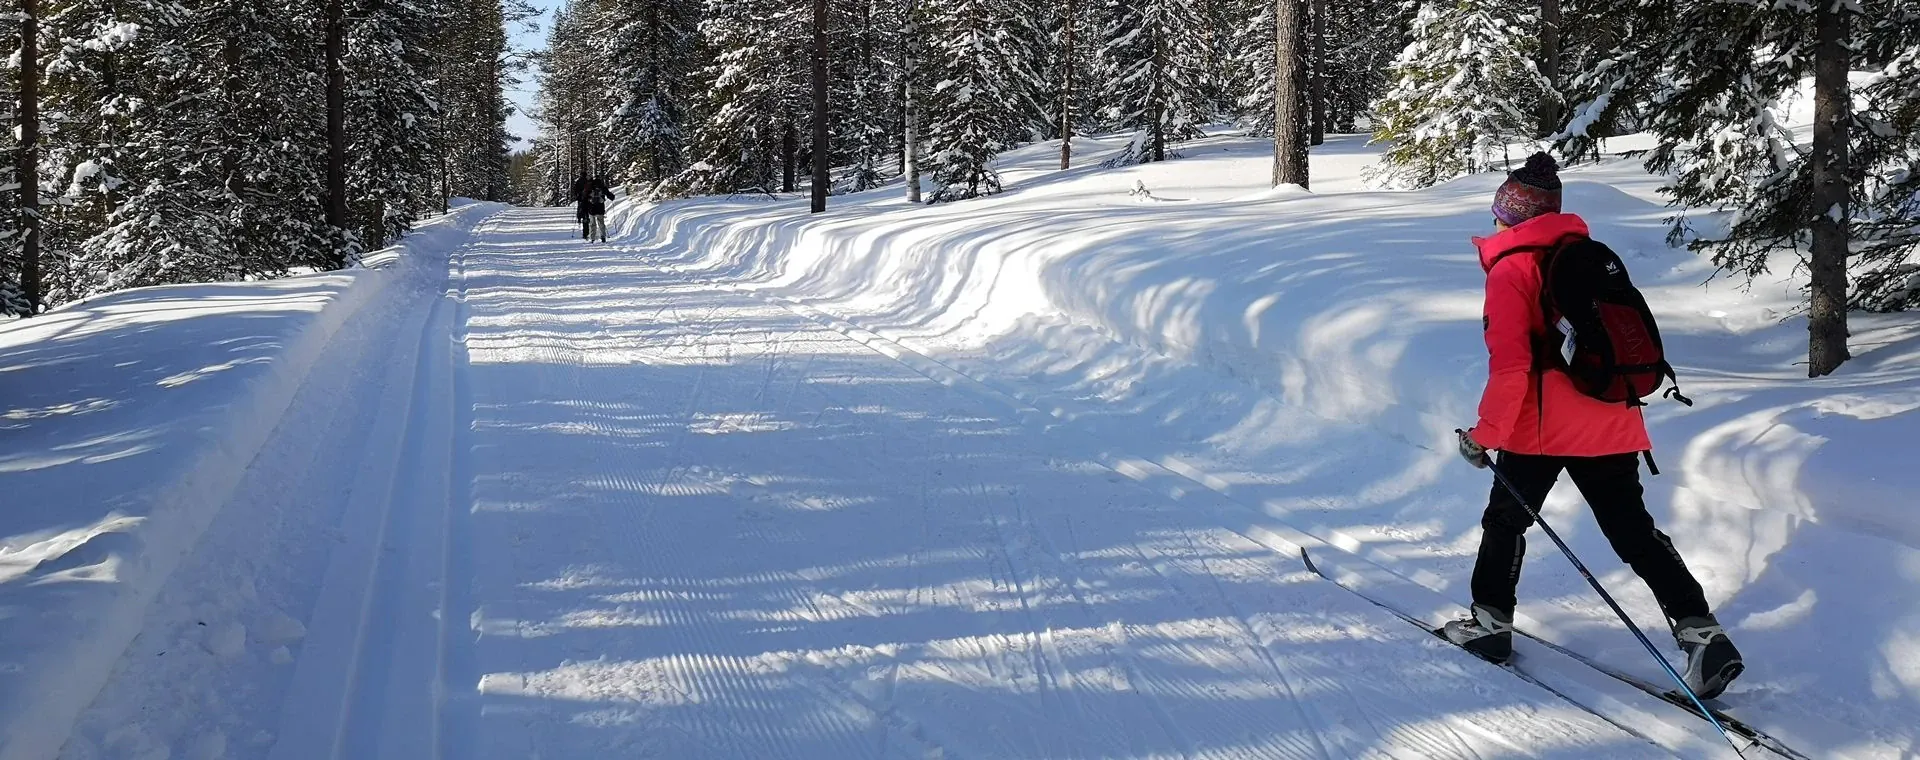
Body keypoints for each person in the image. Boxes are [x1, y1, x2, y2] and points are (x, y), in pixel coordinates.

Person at [1444, 152, 1744, 700]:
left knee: (1506, 520)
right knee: (1633, 530)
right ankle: (1704, 635)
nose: (1494, 222)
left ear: (1510, 217)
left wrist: (1484, 435)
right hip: (1610, 413)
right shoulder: (1582, 257)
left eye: (1499, 213)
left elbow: (1512, 366)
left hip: (1540, 428)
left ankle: (1490, 626)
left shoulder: (1512, 269)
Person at [571, 170, 614, 242]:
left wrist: (581, 202)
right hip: (600, 206)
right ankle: (603, 236)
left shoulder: (589, 186)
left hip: (591, 207)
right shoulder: (602, 186)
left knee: (592, 223)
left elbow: (583, 195)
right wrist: (612, 198)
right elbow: (610, 195)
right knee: (601, 222)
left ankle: (592, 238)